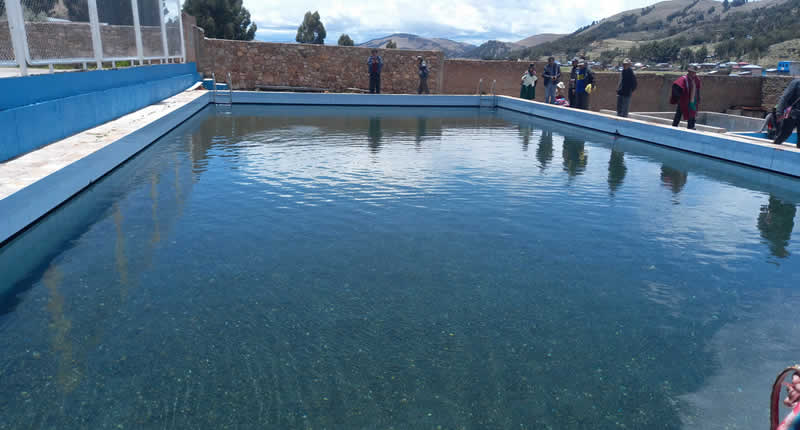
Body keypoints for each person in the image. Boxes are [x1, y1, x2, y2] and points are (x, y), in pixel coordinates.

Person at [773, 78, 800, 146]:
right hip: (792, 115)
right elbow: (785, 97)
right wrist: (779, 112)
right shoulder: (796, 83)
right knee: (784, 134)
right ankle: (773, 151)